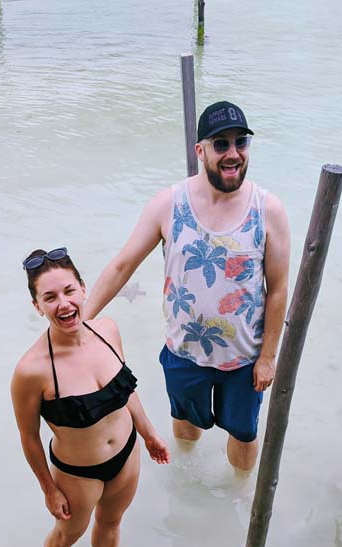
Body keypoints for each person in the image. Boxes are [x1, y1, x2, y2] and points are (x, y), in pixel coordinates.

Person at [84, 100, 291, 472]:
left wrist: (268, 357)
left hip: (245, 358)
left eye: (240, 143)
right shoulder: (169, 203)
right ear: (200, 151)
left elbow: (277, 290)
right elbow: (122, 265)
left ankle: (238, 500)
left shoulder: (268, 209)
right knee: (185, 427)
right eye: (221, 144)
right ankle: (186, 486)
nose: (233, 153)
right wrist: (80, 323)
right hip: (184, 352)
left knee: (244, 434)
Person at [11, 248, 170, 547]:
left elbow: (124, 389)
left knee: (112, 524)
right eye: (50, 297)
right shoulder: (31, 371)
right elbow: (29, 438)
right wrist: (49, 490)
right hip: (78, 474)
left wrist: (149, 433)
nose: (64, 303)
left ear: (83, 289)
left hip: (127, 454)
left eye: (69, 291)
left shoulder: (108, 330)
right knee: (66, 537)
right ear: (37, 306)